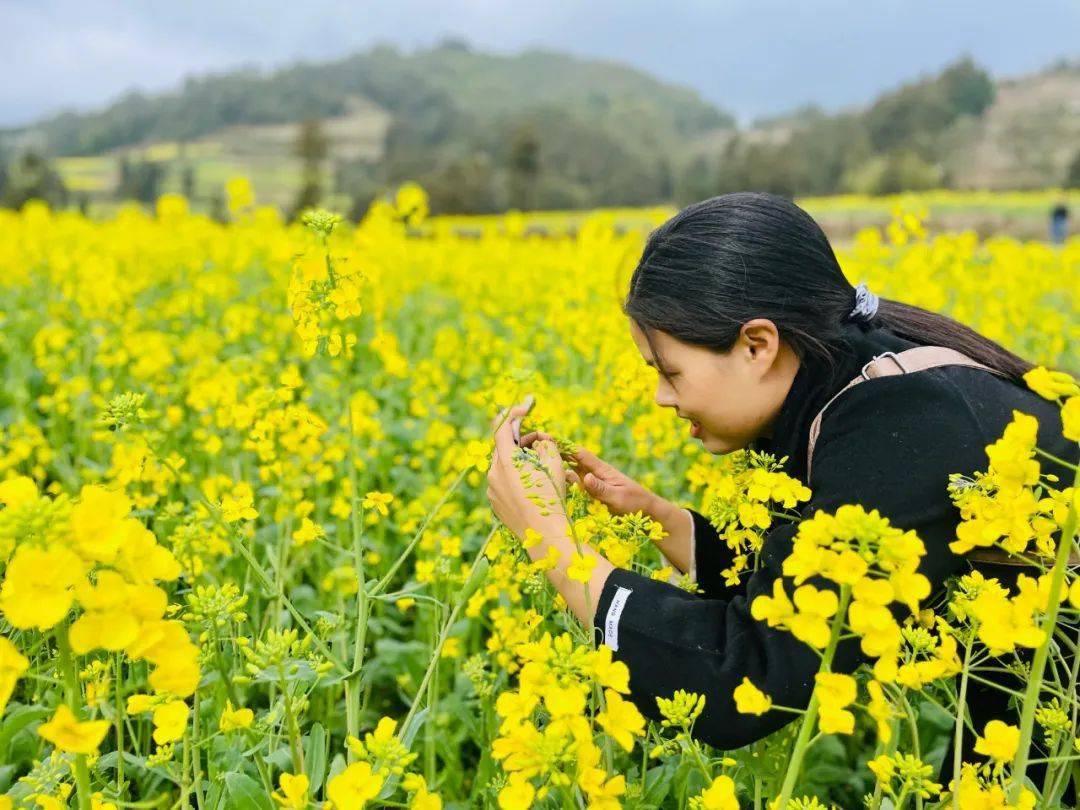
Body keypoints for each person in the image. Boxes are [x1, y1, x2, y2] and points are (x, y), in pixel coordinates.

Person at [485, 192, 1078, 759]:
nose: (662, 399)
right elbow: (796, 587)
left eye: (669, 372)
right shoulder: (848, 373)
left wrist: (555, 547)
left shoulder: (902, 422)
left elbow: (750, 676)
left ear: (756, 345)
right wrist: (661, 519)